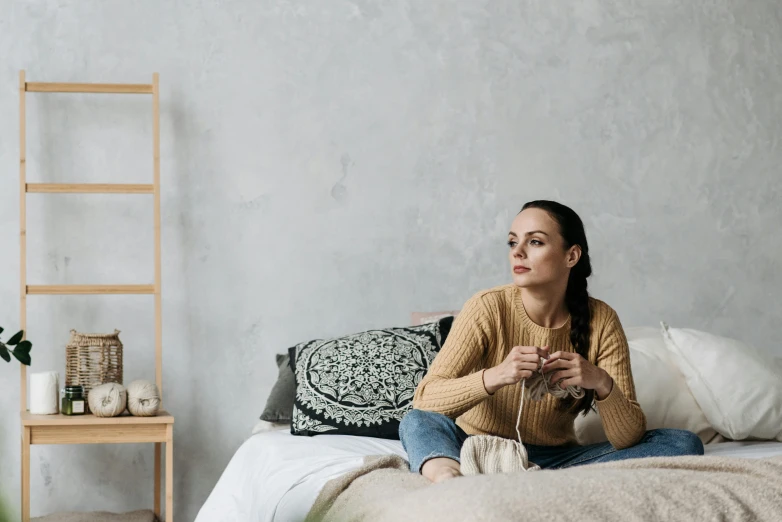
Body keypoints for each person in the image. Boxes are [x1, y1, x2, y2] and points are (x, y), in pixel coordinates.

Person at [399, 200, 703, 483]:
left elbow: (628, 438)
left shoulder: (602, 320)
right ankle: (448, 478)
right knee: (416, 422)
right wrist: (497, 375)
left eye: (535, 241)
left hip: (555, 460)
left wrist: (601, 382)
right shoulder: (487, 307)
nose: (517, 252)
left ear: (571, 255)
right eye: (512, 241)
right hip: (473, 446)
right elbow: (426, 399)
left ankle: (542, 479)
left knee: (683, 442)